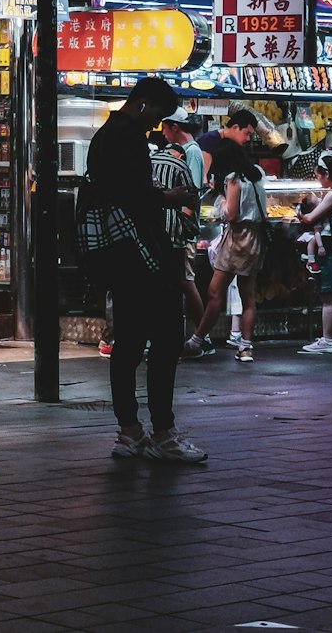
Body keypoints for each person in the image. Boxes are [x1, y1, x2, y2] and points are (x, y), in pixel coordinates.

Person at [85, 76, 207, 463]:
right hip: (145, 255)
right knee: (167, 340)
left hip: (119, 256)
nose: (157, 124)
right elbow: (135, 195)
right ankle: (163, 432)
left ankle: (130, 431)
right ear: (142, 104)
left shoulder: (103, 136)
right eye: (157, 114)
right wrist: (169, 197)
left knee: (129, 345)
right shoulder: (129, 137)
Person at [183, 133, 267, 363]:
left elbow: (230, 213)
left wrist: (220, 197)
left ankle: (196, 341)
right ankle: (246, 348)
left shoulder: (233, 178)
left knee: (213, 292)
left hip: (238, 237)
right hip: (255, 237)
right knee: (248, 295)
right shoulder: (257, 174)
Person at [162, 107, 209, 348]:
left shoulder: (191, 152)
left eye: (164, 126)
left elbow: (191, 193)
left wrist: (182, 223)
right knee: (182, 280)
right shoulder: (187, 151)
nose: (162, 132)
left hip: (183, 230)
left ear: (174, 127)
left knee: (185, 280)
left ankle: (203, 336)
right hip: (179, 227)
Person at [298, 153, 332, 355]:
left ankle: (328, 339)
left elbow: (311, 218)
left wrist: (298, 215)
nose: (317, 179)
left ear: (326, 173)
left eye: (318, 175)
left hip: (328, 248)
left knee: (327, 295)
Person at [197, 109, 257, 182]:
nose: (248, 138)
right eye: (247, 133)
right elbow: (204, 177)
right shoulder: (209, 140)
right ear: (235, 127)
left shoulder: (234, 145)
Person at [295, 190, 326, 276]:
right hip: (304, 235)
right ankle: (311, 260)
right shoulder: (316, 218)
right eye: (317, 200)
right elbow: (317, 232)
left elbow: (298, 210)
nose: (319, 199)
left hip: (301, 232)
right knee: (313, 239)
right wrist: (321, 246)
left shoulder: (300, 209)